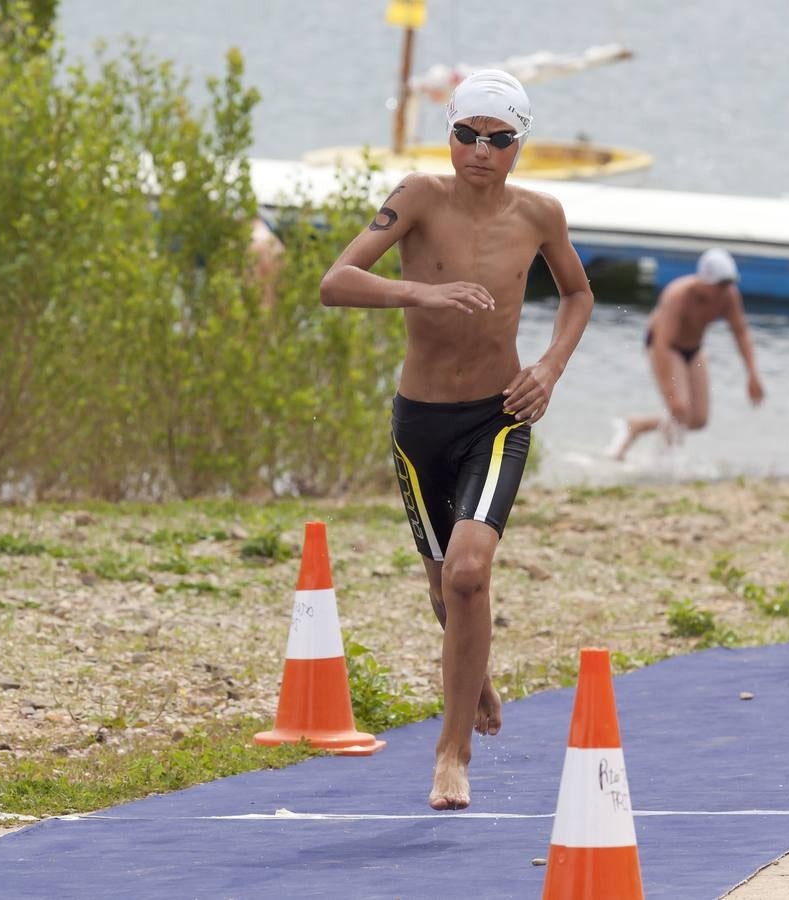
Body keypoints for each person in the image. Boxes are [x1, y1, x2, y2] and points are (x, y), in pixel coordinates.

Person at [319, 69, 594, 810]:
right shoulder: (416, 198)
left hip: (498, 416)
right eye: (467, 134)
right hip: (422, 425)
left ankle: (452, 754)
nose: (479, 150)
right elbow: (336, 281)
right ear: (449, 135)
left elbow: (578, 293)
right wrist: (419, 291)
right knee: (446, 589)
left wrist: (550, 368)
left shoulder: (540, 213)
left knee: (470, 573)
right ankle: (475, 676)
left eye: (498, 139)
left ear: (518, 146)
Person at [607, 248, 765, 461]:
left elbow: (741, 332)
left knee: (699, 419)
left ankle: (638, 425)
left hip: (694, 349)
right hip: (664, 347)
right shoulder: (678, 296)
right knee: (679, 408)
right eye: (719, 285)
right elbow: (662, 344)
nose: (723, 290)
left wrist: (752, 375)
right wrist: (670, 391)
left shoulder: (728, 296)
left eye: (727, 284)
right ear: (704, 281)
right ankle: (661, 467)